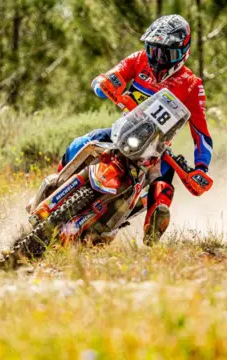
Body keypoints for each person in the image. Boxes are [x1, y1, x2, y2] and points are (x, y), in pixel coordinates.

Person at [34, 14, 213, 245]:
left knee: (163, 186)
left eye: (165, 53)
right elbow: (111, 75)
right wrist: (103, 84)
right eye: (153, 50)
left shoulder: (192, 84)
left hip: (157, 149)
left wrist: (201, 167)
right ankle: (57, 184)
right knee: (82, 143)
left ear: (182, 51)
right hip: (124, 132)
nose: (157, 58)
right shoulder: (139, 60)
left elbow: (202, 135)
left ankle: (152, 230)